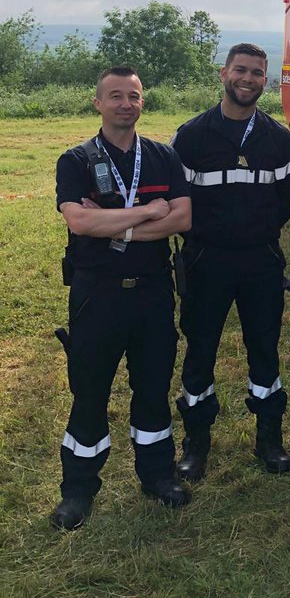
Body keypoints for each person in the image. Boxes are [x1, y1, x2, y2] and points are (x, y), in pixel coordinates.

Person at [52, 66, 192, 530]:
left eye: (133, 96)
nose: (125, 104)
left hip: (153, 293)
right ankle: (77, 490)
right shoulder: (74, 160)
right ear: (98, 103)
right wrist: (149, 213)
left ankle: (157, 476)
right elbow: (80, 222)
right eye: (115, 96)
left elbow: (182, 219)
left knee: (152, 389)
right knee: (89, 392)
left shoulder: (162, 156)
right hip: (97, 296)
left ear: (142, 103)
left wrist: (118, 224)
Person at [170, 43, 290, 480]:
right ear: (223, 73)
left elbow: (286, 202)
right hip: (206, 260)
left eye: (257, 73)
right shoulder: (191, 136)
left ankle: (269, 440)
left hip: (261, 261)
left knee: (264, 350)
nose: (247, 79)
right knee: (200, 349)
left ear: (266, 80)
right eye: (240, 70)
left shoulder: (280, 139)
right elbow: (178, 199)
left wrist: (254, 233)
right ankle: (196, 442)